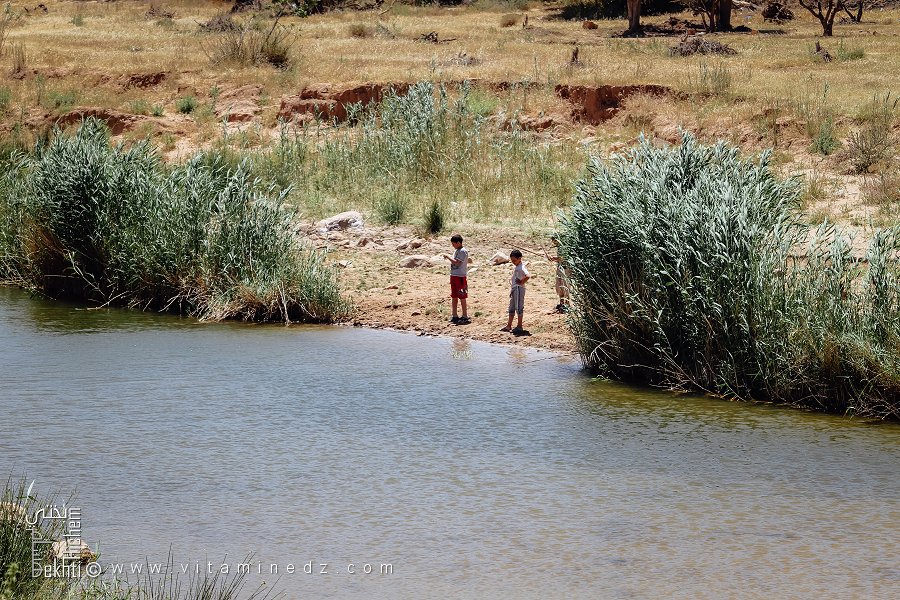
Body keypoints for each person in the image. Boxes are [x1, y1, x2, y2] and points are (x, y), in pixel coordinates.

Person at [442, 234, 470, 325]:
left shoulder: (462, 251)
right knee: (454, 296)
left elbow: (457, 263)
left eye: (453, 243)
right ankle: (454, 315)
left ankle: (465, 316)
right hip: (454, 275)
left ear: (458, 242)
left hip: (460, 276)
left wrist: (447, 257)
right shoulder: (457, 251)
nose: (452, 245)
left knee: (462, 296)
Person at [501, 249, 529, 333]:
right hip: (514, 289)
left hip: (518, 289)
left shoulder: (521, 267)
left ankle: (519, 326)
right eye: (512, 260)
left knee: (519, 307)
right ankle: (509, 325)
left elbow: (528, 275)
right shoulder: (517, 266)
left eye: (514, 260)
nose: (513, 262)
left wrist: (521, 282)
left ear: (519, 258)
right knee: (512, 307)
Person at [545, 237, 570, 313]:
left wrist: (553, 258)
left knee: (565, 286)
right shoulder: (559, 248)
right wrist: (553, 258)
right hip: (560, 268)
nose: (554, 243)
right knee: (559, 286)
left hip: (566, 269)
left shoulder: (565, 247)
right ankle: (561, 304)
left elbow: (563, 258)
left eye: (555, 241)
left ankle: (567, 305)